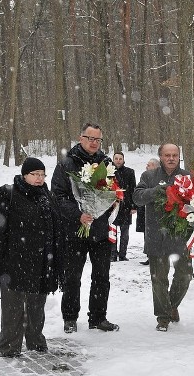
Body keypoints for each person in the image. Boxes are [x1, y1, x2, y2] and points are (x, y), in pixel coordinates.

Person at [0, 157, 62, 357]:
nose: (39, 178)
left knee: (37, 306)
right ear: (24, 175)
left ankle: (36, 342)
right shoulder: (9, 193)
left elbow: (55, 226)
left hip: (41, 261)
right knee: (13, 308)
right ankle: (10, 347)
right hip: (14, 261)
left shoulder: (47, 195)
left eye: (42, 174)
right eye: (34, 174)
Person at [51, 123, 119, 334]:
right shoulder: (67, 163)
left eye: (98, 140)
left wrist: (114, 203)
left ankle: (98, 317)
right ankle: (70, 317)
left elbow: (115, 190)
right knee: (72, 277)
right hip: (74, 230)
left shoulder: (107, 163)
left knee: (101, 276)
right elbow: (58, 196)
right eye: (90, 138)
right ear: (80, 138)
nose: (93, 143)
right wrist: (78, 215)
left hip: (99, 230)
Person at [133, 144, 192, 331]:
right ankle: (163, 316)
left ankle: (171, 305)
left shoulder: (186, 177)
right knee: (159, 279)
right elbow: (137, 197)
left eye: (175, 155)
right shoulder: (149, 176)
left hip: (180, 237)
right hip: (156, 236)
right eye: (167, 155)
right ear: (160, 156)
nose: (171, 158)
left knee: (185, 276)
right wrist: (156, 191)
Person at [110, 152, 137, 262]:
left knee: (125, 232)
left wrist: (134, 206)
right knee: (112, 231)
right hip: (113, 206)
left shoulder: (130, 172)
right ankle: (112, 254)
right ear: (113, 160)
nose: (118, 160)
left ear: (123, 160)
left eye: (120, 158)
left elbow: (133, 189)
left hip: (126, 205)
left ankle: (122, 254)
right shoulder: (109, 171)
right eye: (116, 158)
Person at [136, 158, 160, 266]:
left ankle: (155, 256)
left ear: (155, 166)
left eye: (149, 165)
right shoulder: (145, 176)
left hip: (156, 211)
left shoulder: (159, 178)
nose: (147, 166)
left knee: (154, 235)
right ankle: (149, 256)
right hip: (145, 209)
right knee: (147, 234)